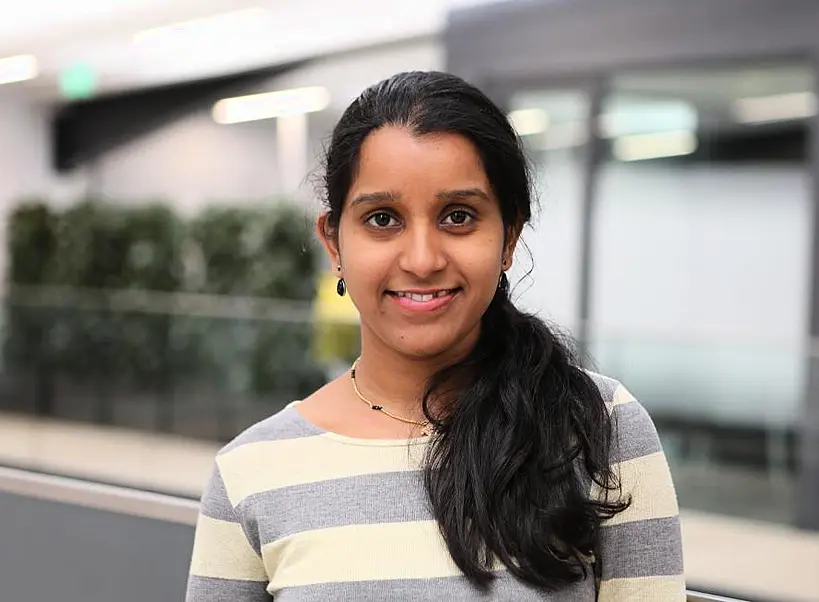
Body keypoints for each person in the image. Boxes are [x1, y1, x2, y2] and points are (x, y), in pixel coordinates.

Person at [185, 71, 684, 601]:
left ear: (508, 237)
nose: (422, 260)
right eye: (382, 218)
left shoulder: (597, 427)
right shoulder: (249, 472)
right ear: (333, 244)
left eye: (458, 216)